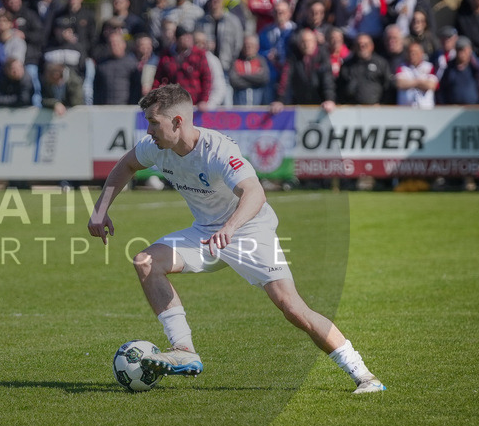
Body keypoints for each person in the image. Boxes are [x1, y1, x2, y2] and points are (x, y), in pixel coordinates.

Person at [87, 84, 385, 395]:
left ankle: (364, 375)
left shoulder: (218, 150)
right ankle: (184, 350)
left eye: (153, 122)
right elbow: (127, 165)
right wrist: (100, 210)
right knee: (146, 262)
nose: (149, 130)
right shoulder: (155, 147)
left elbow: (254, 192)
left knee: (292, 308)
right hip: (206, 233)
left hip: (249, 229)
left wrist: (230, 226)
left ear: (177, 121)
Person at [271, 28, 336, 113]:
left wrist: (329, 99)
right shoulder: (292, 57)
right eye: (303, 42)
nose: (306, 45)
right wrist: (279, 100)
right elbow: (285, 79)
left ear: (315, 43)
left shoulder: (323, 56)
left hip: (320, 104)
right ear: (298, 44)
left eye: (309, 41)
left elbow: (328, 79)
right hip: (298, 103)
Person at [337, 33, 393, 105]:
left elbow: (388, 87)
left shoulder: (381, 63)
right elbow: (340, 86)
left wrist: (382, 104)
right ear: (354, 47)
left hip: (374, 109)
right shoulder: (347, 64)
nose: (362, 47)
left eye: (365, 45)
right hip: (351, 109)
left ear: (372, 46)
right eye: (359, 44)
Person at [395, 41, 438, 109]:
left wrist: (410, 82)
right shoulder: (401, 67)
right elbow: (399, 83)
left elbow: (431, 85)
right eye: (410, 52)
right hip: (405, 109)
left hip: (425, 109)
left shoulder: (429, 67)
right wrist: (420, 82)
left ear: (421, 53)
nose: (412, 55)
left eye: (415, 53)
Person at [229, 34, 269, 106]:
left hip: (258, 106)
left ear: (257, 47)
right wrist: (255, 81)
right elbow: (234, 81)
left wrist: (242, 75)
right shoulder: (236, 61)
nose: (248, 47)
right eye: (246, 45)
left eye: (251, 45)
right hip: (239, 106)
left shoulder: (261, 61)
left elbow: (264, 79)